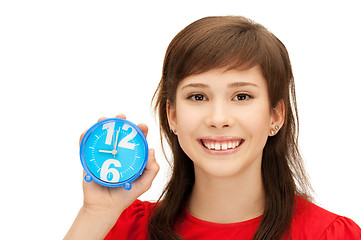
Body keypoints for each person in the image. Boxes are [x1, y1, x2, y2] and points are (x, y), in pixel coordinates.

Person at [64, 16, 361, 240]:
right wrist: (96, 213)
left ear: (276, 115)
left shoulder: (329, 234)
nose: (218, 118)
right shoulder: (126, 227)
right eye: (198, 96)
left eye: (242, 96)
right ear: (173, 116)